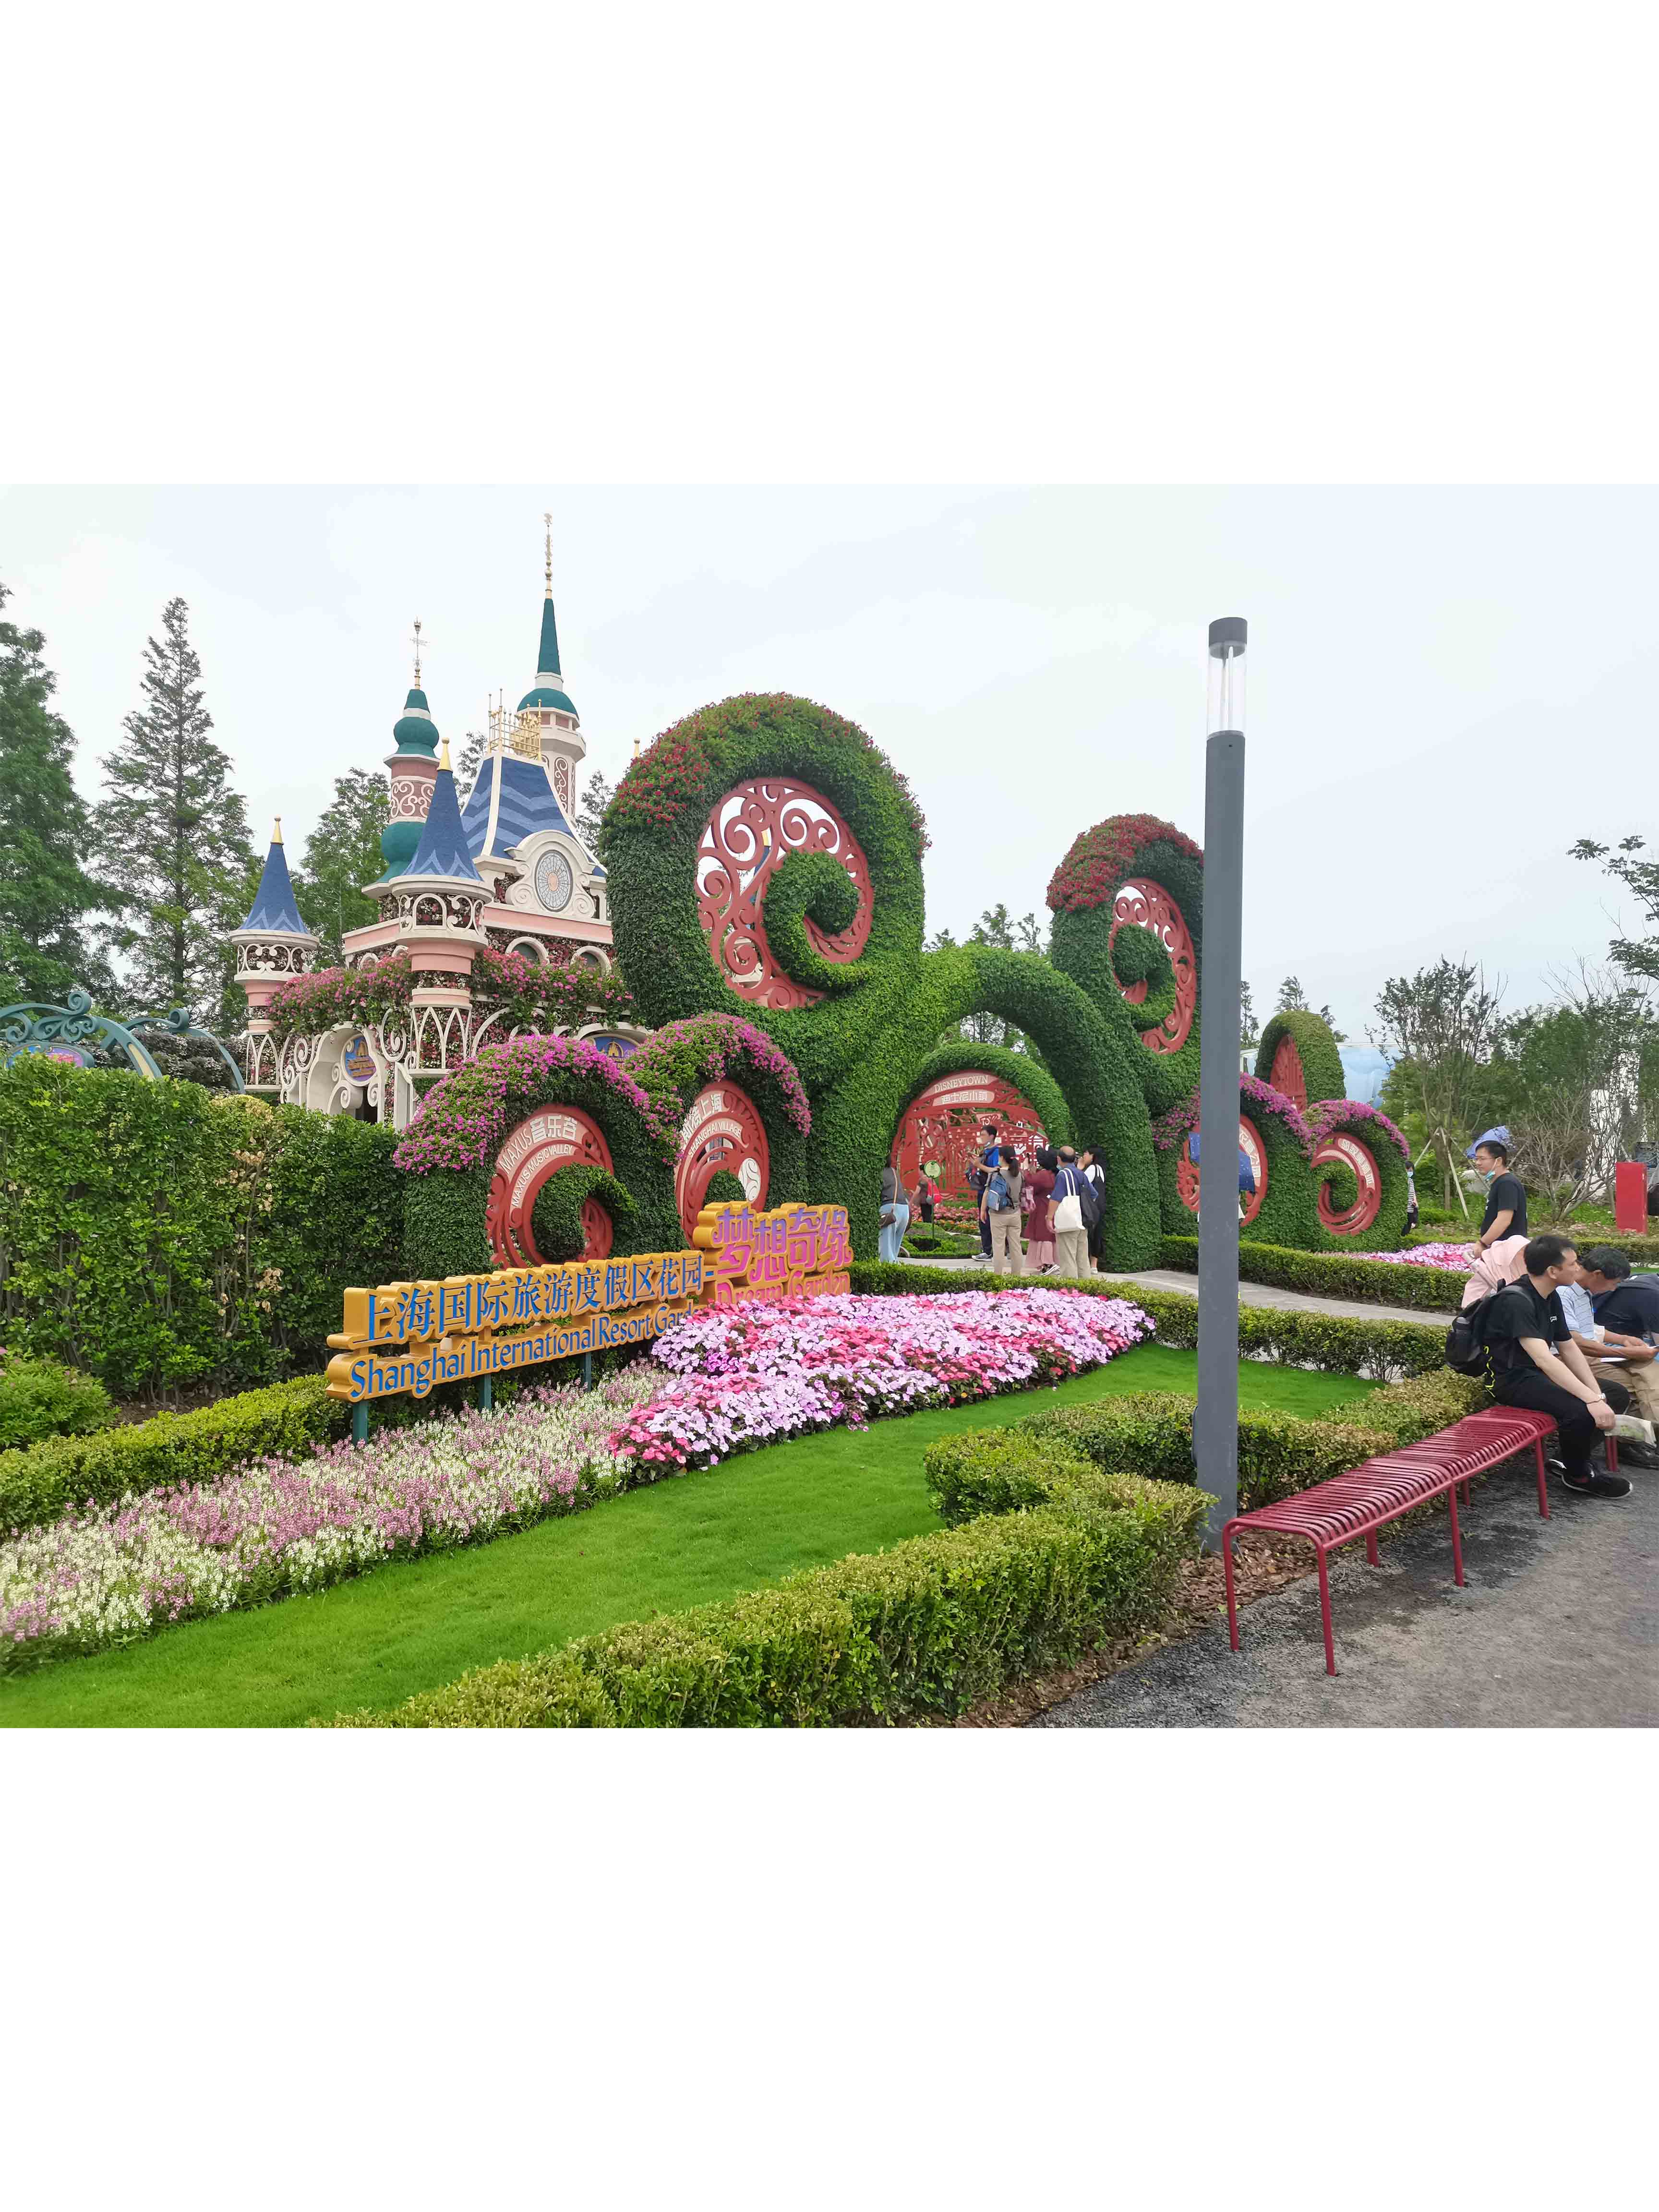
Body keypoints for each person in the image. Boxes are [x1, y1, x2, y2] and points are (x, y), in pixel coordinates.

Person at [1484, 1234, 1632, 1499]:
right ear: (1553, 1271)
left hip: (1537, 1373)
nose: (1579, 1269)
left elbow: (1568, 1347)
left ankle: (1567, 1458)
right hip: (1512, 1380)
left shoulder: (1550, 1295)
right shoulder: (1516, 1301)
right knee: (1580, 1411)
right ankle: (1579, 1476)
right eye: (1573, 1264)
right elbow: (1544, 1358)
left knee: (1615, 1394)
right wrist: (1591, 1400)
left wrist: (1597, 1393)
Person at [1576, 1247, 1659, 1442]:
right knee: (1639, 1390)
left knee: (1649, 1381)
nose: (1615, 1289)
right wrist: (1625, 1352)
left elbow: (1589, 1329)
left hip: (1595, 1352)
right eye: (1571, 1264)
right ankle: (1632, 1441)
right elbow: (1575, 1343)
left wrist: (1623, 1340)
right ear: (1598, 1274)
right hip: (1575, 1359)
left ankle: (1639, 1439)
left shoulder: (1582, 1292)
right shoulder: (1564, 1293)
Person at [1471, 1137, 1527, 1255]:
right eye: (1476, 1159)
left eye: (1482, 1159)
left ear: (1499, 1161)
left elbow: (1504, 1220)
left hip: (1508, 1251)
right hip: (1500, 1249)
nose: (1478, 1163)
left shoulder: (1507, 1183)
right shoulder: (1499, 1182)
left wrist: (1482, 1243)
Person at [980, 1147, 1025, 1275]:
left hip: (998, 1214)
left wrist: (983, 1210)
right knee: (1016, 1246)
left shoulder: (995, 1174)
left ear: (1002, 1158)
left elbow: (987, 1193)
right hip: (1015, 1214)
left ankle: (998, 1276)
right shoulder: (1019, 1174)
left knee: (999, 1246)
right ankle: (1016, 1275)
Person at [1051, 1145, 1090, 1278]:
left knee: (1068, 1258)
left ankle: (1070, 1288)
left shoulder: (1063, 1175)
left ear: (1059, 1159)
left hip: (1068, 1222)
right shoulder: (1081, 1174)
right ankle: (1086, 1286)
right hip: (1083, 1221)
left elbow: (1056, 1199)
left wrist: (1049, 1218)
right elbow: (1093, 1195)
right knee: (1082, 1258)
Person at [1025, 1147, 1058, 1273]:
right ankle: (1052, 1262)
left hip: (1042, 1207)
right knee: (1050, 1236)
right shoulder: (1053, 1173)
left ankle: (1047, 1263)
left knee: (1043, 1235)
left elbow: (1031, 1182)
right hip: (1051, 1206)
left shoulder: (1043, 1175)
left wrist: (1027, 1170)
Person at [1080, 1144, 1106, 1273]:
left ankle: (1085, 1263)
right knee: (1097, 1234)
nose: (1083, 1156)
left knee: (1088, 1234)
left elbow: (1081, 1183)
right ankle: (1094, 1265)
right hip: (1100, 1207)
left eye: (1086, 1153)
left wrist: (1080, 1169)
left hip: (1090, 1208)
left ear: (1092, 1156)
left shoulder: (1091, 1169)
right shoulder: (1100, 1169)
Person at [878, 1163, 911, 1263]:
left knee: (886, 1247)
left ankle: (888, 1269)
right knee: (895, 1247)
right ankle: (894, 1267)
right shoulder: (893, 1171)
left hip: (891, 1208)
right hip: (904, 1209)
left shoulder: (880, 1171)